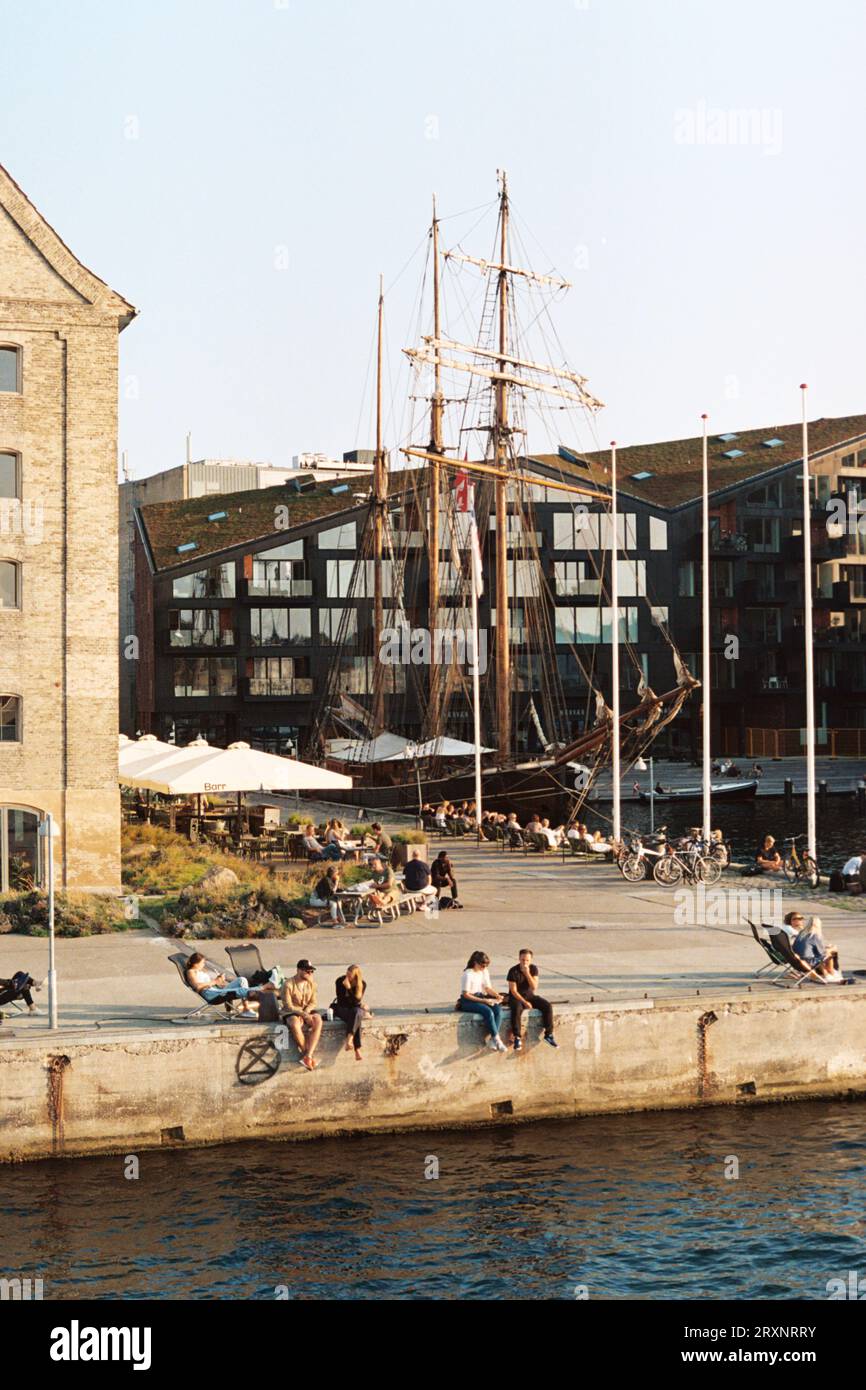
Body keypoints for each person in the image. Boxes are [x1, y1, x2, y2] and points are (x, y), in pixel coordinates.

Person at [506, 949, 557, 1051]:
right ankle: (517, 1037)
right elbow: (513, 991)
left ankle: (548, 1034)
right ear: (519, 959)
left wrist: (527, 973)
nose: (525, 962)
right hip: (516, 997)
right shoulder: (513, 971)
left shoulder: (533, 969)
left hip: (529, 995)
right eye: (523, 960)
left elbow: (534, 987)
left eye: (527, 960)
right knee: (516, 1008)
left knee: (547, 1006)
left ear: (531, 960)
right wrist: (525, 1002)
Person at [456, 951, 507, 1052]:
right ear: (475, 962)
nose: (484, 968)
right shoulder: (468, 974)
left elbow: (487, 988)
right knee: (488, 1012)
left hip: (480, 996)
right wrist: (484, 1001)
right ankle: (497, 1039)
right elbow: (466, 994)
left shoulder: (484, 971)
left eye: (486, 966)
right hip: (468, 1000)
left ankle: (493, 1040)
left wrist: (497, 995)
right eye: (482, 965)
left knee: (498, 1010)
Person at [185, 953, 259, 1016]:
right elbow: (197, 987)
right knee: (241, 990)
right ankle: (256, 993)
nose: (204, 965)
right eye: (202, 963)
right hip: (210, 994)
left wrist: (219, 981)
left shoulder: (201, 971)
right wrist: (215, 981)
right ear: (196, 963)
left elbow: (211, 983)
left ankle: (248, 1003)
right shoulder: (191, 971)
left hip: (215, 990)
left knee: (242, 980)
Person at [282, 960, 323, 1069]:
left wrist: (307, 1012)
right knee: (295, 1023)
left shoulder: (312, 984)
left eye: (311, 972)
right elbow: (288, 1005)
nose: (310, 974)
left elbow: (313, 1002)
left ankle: (308, 1055)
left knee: (318, 1020)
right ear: (298, 970)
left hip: (306, 1010)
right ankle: (307, 1055)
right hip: (291, 1011)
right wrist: (302, 1014)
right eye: (307, 971)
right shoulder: (288, 984)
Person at [332, 964, 372, 1060]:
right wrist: (348, 988)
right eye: (347, 974)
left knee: (356, 1013)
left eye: (350, 976)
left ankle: (349, 1040)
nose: (347, 977)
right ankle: (357, 1049)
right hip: (341, 1008)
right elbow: (342, 1001)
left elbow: (355, 1002)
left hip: (353, 1010)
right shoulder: (340, 981)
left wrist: (350, 990)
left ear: (356, 977)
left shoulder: (362, 984)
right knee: (356, 1015)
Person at [792, 916, 849, 983]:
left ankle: (827, 973)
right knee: (831, 953)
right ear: (818, 925)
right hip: (808, 961)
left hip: (797, 959)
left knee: (820, 955)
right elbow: (822, 953)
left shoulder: (802, 932)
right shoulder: (814, 935)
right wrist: (831, 949)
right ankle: (831, 973)